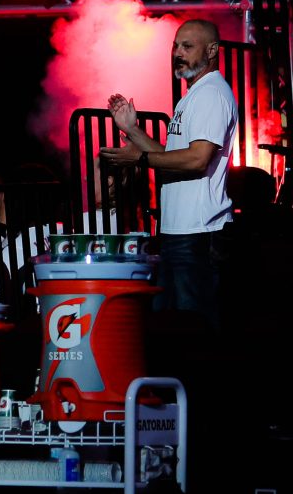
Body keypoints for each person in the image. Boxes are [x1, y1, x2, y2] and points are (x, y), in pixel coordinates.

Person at [100, 18, 238, 326]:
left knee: (194, 330)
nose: (178, 52)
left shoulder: (211, 94)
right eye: (175, 46)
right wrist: (131, 129)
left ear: (212, 50)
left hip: (199, 234)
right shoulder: (194, 95)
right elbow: (169, 156)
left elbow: (197, 159)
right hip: (181, 233)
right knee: (172, 329)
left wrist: (140, 159)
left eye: (187, 46)